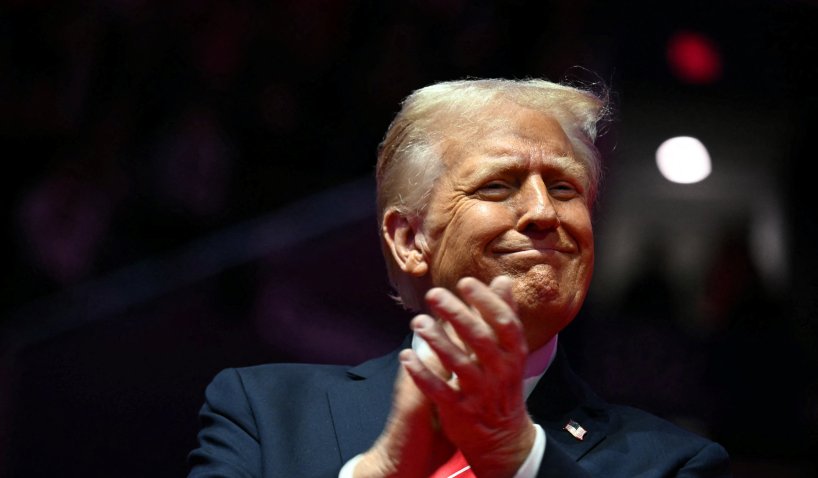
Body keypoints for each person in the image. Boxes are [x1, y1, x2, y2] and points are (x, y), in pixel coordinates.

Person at [187, 78, 731, 477]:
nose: (544, 211)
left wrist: (519, 460)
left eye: (565, 188)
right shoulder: (264, 413)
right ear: (408, 240)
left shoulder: (675, 464)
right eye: (498, 186)